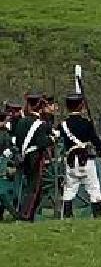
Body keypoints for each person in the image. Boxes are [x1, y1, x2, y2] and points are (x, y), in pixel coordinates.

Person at [57, 94, 101, 219]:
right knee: (94, 188)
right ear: (81, 106)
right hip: (86, 160)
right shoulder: (86, 123)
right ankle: (97, 215)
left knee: (69, 188)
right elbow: (95, 140)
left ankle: (67, 215)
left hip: (70, 160)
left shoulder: (63, 125)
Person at [8, 93, 56, 221]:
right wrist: (52, 138)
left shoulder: (21, 122)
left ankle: (25, 213)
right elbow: (42, 143)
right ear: (40, 107)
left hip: (23, 156)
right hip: (35, 157)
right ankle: (26, 215)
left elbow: (18, 141)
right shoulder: (40, 124)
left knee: (29, 186)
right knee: (34, 188)